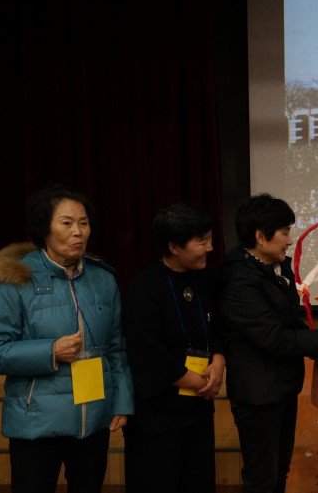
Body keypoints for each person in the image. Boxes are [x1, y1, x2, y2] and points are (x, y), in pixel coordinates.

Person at [0, 184, 133, 493]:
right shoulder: (17, 278)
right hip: (36, 424)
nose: (79, 232)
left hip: (93, 418)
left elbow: (117, 347)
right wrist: (50, 351)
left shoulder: (103, 279)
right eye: (67, 223)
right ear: (44, 228)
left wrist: (121, 401)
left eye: (84, 223)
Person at [220, 194, 318, 493]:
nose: (289, 241)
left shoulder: (274, 270)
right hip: (258, 395)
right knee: (262, 478)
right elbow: (272, 337)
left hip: (280, 388)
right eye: (284, 233)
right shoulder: (239, 279)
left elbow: (291, 322)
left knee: (279, 471)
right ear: (260, 236)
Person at [122, 202, 224, 492]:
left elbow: (218, 326)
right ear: (174, 246)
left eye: (210, 238)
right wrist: (194, 380)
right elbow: (146, 350)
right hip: (158, 414)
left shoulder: (208, 279)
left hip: (199, 406)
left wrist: (218, 362)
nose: (209, 247)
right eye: (201, 241)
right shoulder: (145, 286)